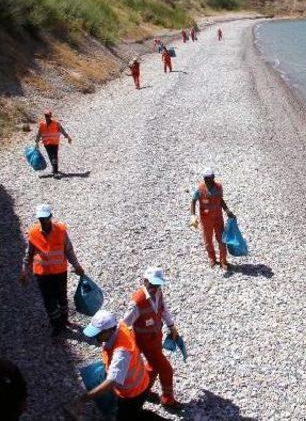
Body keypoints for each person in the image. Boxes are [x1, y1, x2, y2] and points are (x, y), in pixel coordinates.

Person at [20, 204, 85, 337]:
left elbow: (68, 250)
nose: (43, 221)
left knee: (62, 298)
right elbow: (29, 253)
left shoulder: (61, 231)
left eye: (45, 218)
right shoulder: (33, 233)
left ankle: (64, 319)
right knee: (49, 300)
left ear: (50, 216)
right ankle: (56, 324)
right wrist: (24, 270)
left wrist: (76, 265)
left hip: (60, 272)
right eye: (41, 219)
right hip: (42, 274)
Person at [122, 267, 182, 410]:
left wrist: (172, 326)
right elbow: (124, 324)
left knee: (153, 367)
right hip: (146, 342)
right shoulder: (137, 302)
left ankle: (144, 392)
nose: (155, 288)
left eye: (158, 285)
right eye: (153, 285)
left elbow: (163, 309)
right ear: (145, 281)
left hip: (155, 339)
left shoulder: (158, 293)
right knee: (166, 369)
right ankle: (168, 400)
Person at [81, 310, 151, 420]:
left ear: (109, 330)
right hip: (140, 383)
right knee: (135, 413)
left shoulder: (122, 352)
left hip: (133, 393)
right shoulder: (120, 326)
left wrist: (86, 397)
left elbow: (112, 381)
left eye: (99, 334)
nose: (96, 337)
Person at [190, 168, 235, 270]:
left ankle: (223, 260)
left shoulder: (219, 187)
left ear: (213, 178)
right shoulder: (200, 189)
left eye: (209, 178)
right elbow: (193, 201)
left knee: (222, 239)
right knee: (208, 240)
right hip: (206, 219)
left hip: (218, 218)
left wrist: (227, 211)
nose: (207, 180)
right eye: (205, 178)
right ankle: (212, 259)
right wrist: (192, 215)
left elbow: (220, 200)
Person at [35, 110, 73, 179]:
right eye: (46, 116)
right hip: (46, 144)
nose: (47, 117)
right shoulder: (42, 124)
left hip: (55, 143)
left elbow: (62, 130)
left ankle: (55, 172)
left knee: (54, 156)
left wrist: (68, 137)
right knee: (50, 156)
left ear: (50, 116)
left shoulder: (56, 123)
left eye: (48, 116)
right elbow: (39, 134)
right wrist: (36, 142)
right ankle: (54, 168)